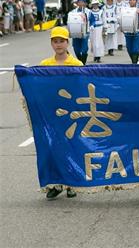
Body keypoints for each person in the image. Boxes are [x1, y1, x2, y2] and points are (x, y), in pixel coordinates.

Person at [40, 26, 82, 199]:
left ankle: (72, 183)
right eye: (55, 41)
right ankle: (57, 183)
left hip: (71, 113)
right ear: (51, 43)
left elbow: (82, 89)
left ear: (67, 43)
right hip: (52, 113)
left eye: (61, 41)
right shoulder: (44, 65)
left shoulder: (76, 64)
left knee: (71, 146)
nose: (58, 45)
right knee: (53, 147)